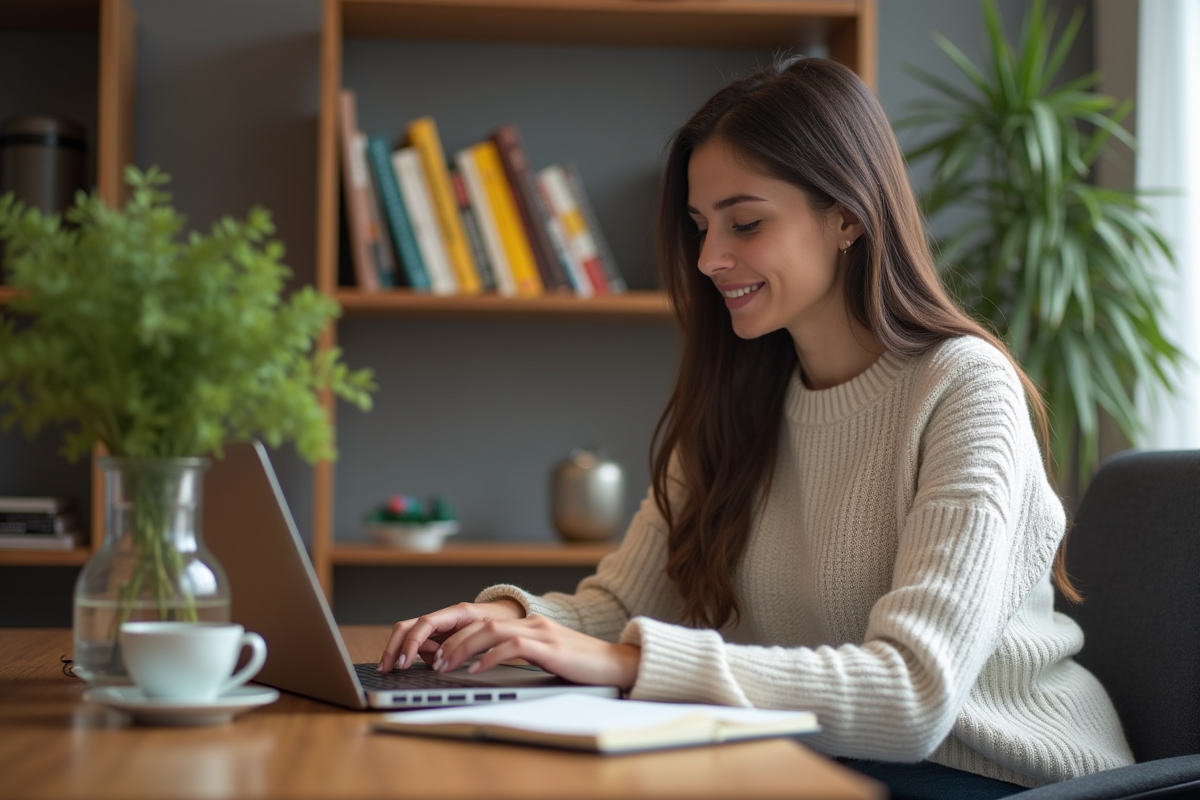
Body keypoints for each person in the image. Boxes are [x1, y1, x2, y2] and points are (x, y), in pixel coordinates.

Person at [377, 56, 1133, 799]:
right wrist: (506, 619)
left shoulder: (964, 387)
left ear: (846, 218)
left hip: (999, 776)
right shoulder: (740, 399)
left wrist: (630, 664)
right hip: (824, 762)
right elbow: (621, 612)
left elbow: (912, 699)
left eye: (746, 222)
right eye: (702, 226)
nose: (709, 258)